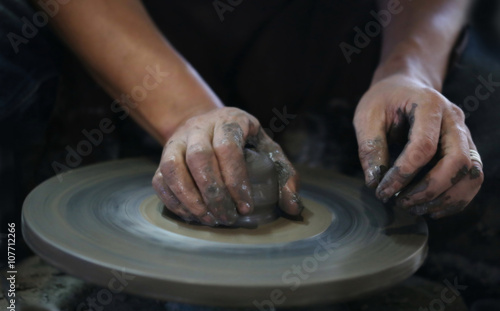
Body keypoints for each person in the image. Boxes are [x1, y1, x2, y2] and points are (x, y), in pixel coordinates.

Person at [0, 0, 488, 229]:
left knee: (480, 123)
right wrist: (187, 110)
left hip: (334, 38)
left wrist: (409, 73)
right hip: (134, 30)